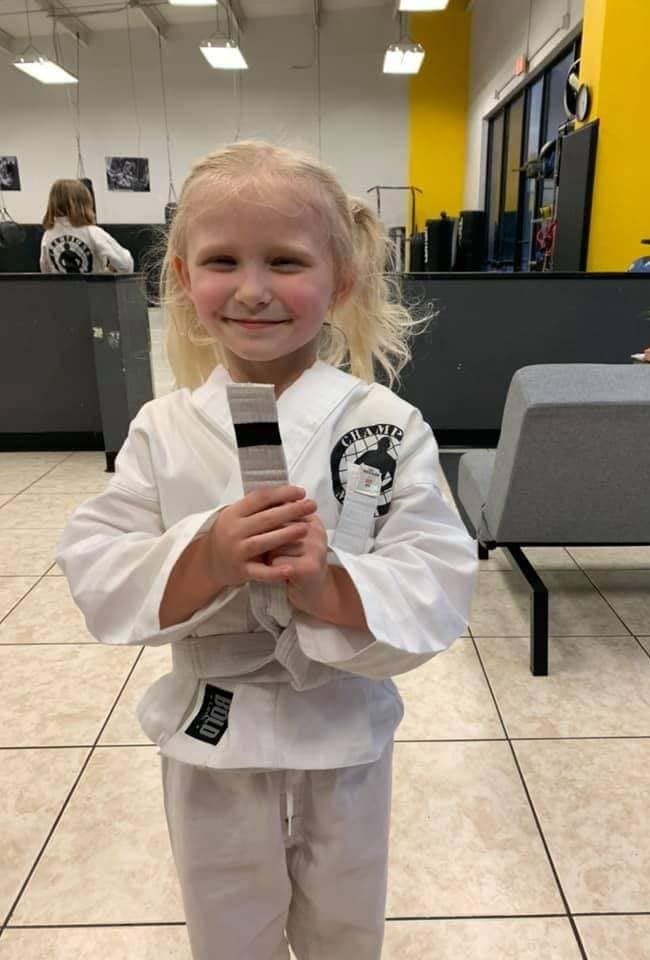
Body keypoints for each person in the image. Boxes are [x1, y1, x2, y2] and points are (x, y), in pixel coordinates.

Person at [57, 140, 478, 960]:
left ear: (341, 278)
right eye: (223, 261)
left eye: (285, 260)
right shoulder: (163, 428)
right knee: (226, 928)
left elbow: (437, 571)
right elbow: (98, 561)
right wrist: (207, 556)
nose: (252, 290)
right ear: (182, 276)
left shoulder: (386, 423)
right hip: (214, 735)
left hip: (342, 725)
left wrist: (329, 584)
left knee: (346, 928)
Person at [39, 179, 134, 274]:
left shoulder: (48, 235)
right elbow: (126, 264)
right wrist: (106, 273)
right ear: (85, 203)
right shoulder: (93, 233)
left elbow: (46, 272)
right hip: (94, 288)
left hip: (61, 288)